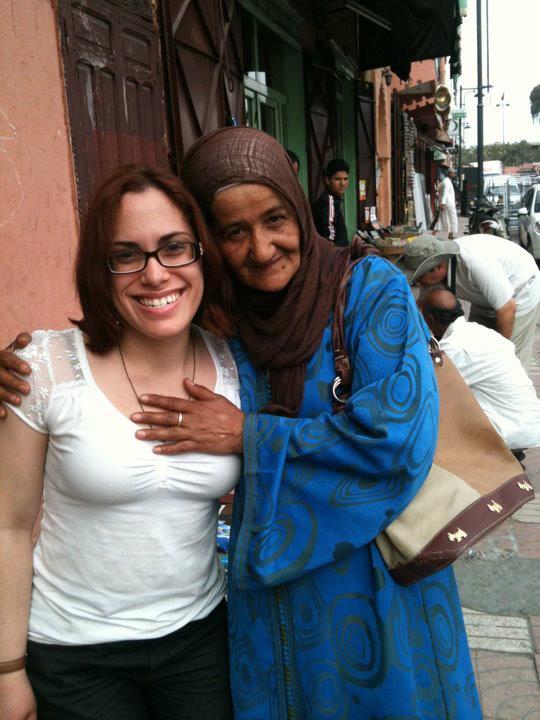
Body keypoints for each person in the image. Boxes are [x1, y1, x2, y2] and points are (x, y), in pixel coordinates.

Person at [0, 128, 481, 719]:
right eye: (233, 231)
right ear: (212, 242)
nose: (261, 248)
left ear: (300, 209)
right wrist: (24, 364)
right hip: (268, 604)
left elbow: (396, 437)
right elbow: (130, 322)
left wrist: (247, 436)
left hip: (373, 582)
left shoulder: (367, 290)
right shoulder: (228, 324)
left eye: (276, 218)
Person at [0, 165, 241, 720]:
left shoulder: (235, 366)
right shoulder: (43, 368)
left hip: (201, 644)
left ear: (201, 254)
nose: (156, 275)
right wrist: (8, 670)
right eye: (127, 255)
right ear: (99, 270)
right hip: (73, 655)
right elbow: (9, 527)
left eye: (174, 248)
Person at [397, 233, 540, 371]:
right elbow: (421, 307)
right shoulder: (436, 273)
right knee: (475, 349)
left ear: (439, 268)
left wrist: (499, 357)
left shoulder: (474, 263)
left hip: (520, 292)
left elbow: (507, 309)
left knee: (509, 361)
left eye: (418, 277)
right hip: (486, 297)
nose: (417, 282)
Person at [420, 289, 540, 451]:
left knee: (435, 411)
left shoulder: (455, 348)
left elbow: (427, 388)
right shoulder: (479, 331)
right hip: (530, 421)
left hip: (514, 431)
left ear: (429, 319)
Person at [311, 158, 350, 246]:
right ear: (327, 180)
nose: (342, 183)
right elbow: (329, 237)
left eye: (345, 179)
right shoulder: (329, 202)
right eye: (337, 179)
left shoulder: (333, 200)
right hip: (332, 256)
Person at [435, 165, 458, 239]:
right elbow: (445, 193)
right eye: (453, 173)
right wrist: (442, 203)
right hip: (448, 204)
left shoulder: (446, 181)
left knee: (443, 219)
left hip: (447, 203)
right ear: (449, 174)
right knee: (452, 219)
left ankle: (435, 233)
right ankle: (450, 234)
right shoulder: (447, 182)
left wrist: (442, 203)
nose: (454, 175)